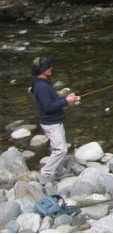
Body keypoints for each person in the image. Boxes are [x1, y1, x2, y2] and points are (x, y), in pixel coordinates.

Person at [30, 55, 78, 184]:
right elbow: (48, 107)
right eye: (48, 67)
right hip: (51, 123)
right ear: (42, 70)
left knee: (57, 146)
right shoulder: (41, 87)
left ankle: (58, 171)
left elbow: (53, 101)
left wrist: (67, 99)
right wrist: (66, 101)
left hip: (54, 121)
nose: (51, 68)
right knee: (60, 149)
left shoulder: (43, 83)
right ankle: (45, 173)